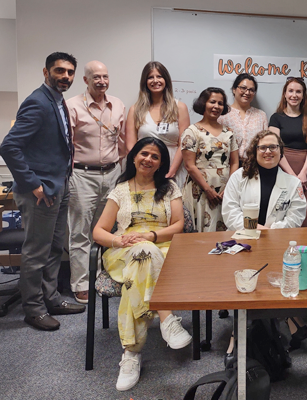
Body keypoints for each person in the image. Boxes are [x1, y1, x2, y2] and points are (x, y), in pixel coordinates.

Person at [93, 137, 192, 391]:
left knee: (145, 255)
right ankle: (166, 317)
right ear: (134, 157)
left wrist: (151, 236)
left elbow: (179, 225)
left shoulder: (170, 188)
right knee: (142, 254)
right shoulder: (120, 190)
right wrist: (119, 239)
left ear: (161, 163)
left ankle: (131, 353)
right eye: (144, 154)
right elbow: (99, 232)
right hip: (124, 251)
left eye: (155, 156)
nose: (148, 159)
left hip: (164, 248)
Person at [0, 52, 85, 331]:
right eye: (60, 71)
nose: (66, 77)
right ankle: (33, 309)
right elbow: (9, 146)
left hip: (58, 186)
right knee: (36, 251)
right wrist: (33, 184)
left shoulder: (57, 100)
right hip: (40, 191)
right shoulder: (37, 101)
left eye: (70, 72)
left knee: (53, 248)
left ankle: (51, 298)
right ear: (46, 72)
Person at [222, 130, 307, 354]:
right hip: (243, 243)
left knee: (275, 280)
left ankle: (280, 319)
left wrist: (270, 231)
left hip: (278, 244)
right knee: (245, 286)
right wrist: (255, 229)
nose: (268, 151)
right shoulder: (238, 177)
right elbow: (229, 213)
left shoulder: (292, 182)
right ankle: (240, 330)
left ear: (281, 152)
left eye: (273, 147)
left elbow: (296, 217)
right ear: (255, 150)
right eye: (263, 147)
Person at [66, 60, 126, 304]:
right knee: (81, 232)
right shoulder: (72, 106)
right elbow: (66, 143)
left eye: (105, 76)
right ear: (85, 80)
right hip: (82, 175)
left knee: (109, 229)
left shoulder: (118, 104)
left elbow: (121, 142)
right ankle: (81, 284)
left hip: (112, 173)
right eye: (96, 77)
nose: (101, 81)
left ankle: (106, 275)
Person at [181, 87, 239, 232]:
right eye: (212, 102)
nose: (216, 106)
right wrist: (208, 190)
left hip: (224, 190)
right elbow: (189, 166)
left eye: (220, 103)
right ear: (203, 103)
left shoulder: (229, 133)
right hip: (200, 189)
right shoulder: (192, 131)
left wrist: (229, 189)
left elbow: (235, 162)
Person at [125, 61, 190, 187]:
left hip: (173, 166)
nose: (155, 80)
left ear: (166, 80)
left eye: (159, 76)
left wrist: (172, 170)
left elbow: (184, 143)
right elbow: (130, 146)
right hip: (144, 167)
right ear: (145, 81)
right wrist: (140, 170)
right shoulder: (135, 109)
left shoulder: (180, 108)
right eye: (150, 77)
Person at [269, 77, 307, 227]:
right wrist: (292, 175)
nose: (294, 95)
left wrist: (303, 173)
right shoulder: (276, 118)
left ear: (303, 95)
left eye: (298, 91)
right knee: (281, 212)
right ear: (285, 94)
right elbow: (274, 148)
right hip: (282, 168)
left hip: (306, 169)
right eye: (290, 91)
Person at [218, 73, 268, 164]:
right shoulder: (222, 114)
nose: (247, 92)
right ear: (234, 89)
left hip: (254, 165)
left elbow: (265, 143)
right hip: (227, 164)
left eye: (251, 90)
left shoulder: (261, 115)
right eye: (243, 88)